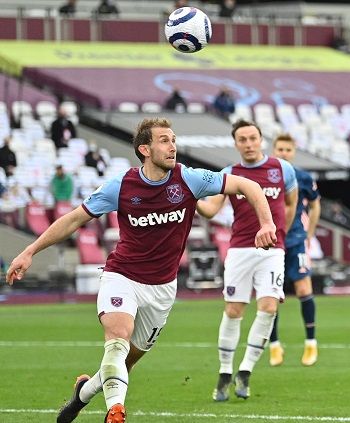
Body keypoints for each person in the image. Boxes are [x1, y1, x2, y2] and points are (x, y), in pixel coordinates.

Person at [5, 117, 276, 423]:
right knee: (117, 340)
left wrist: (267, 222)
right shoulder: (120, 186)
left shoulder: (190, 179)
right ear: (145, 149)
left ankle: (84, 391)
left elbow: (248, 185)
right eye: (164, 140)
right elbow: (74, 219)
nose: (172, 145)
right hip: (122, 277)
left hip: (162, 288)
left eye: (173, 139)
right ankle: (116, 412)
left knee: (126, 360)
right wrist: (29, 251)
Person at [195, 121, 297, 401]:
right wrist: (192, 199)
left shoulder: (282, 169)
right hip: (239, 249)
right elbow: (211, 209)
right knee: (234, 311)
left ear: (261, 140)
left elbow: (290, 205)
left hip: (273, 251)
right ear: (236, 144)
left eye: (253, 138)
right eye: (243, 139)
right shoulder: (229, 174)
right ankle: (225, 371)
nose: (249, 143)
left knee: (268, 307)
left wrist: (281, 236)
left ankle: (246, 371)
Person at [269, 134, 322, 366]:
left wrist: (309, 234)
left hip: (296, 240)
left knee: (303, 288)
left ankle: (311, 343)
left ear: (294, 151)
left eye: (288, 149)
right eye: (280, 149)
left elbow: (315, 204)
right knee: (270, 293)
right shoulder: (266, 175)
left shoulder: (303, 176)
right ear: (273, 149)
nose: (283, 153)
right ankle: (274, 346)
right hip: (271, 241)